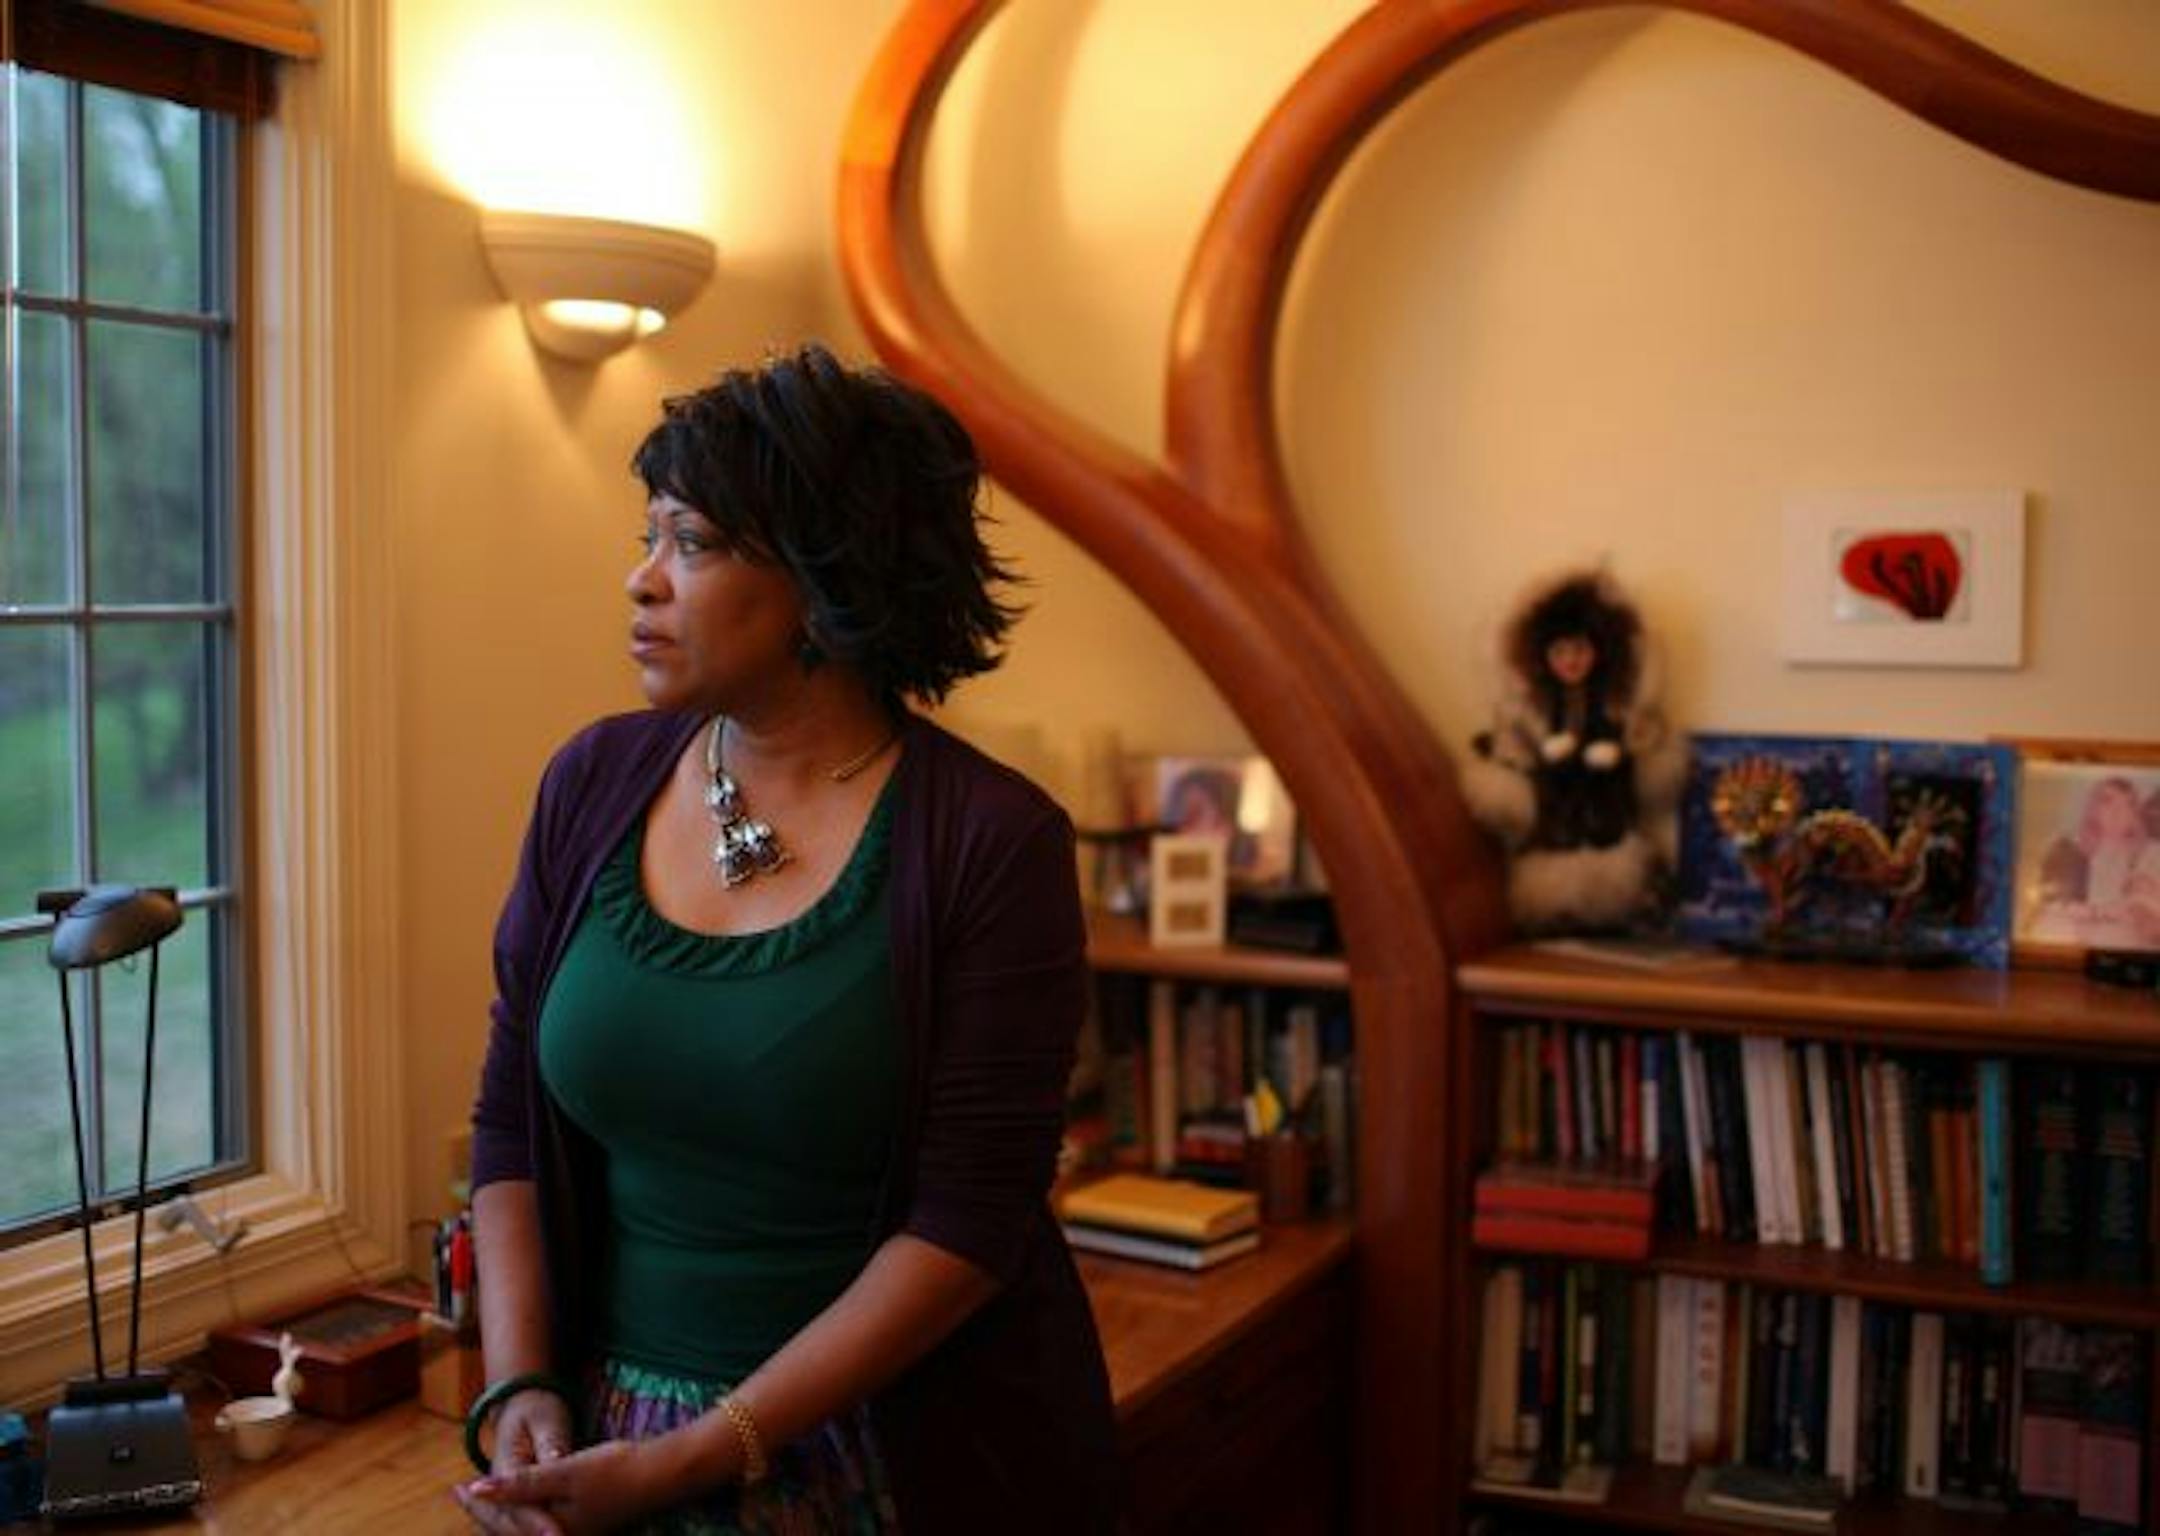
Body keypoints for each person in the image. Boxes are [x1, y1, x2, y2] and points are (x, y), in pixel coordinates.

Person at [456, 345, 1120, 1535]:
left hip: (888, 1458)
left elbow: (968, 1229)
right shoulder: (591, 782)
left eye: (693, 544)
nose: (641, 581)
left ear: (829, 580)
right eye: (648, 535)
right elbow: (509, 1113)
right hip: (598, 1443)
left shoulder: (992, 845)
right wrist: (520, 1379)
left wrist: (703, 1456)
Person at [2029, 775, 2160, 949]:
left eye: (2128, 804)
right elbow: (2053, 903)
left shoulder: (2150, 852)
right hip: (2073, 935)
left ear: (2134, 813)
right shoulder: (2067, 847)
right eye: (2107, 801)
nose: (2117, 811)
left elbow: (2149, 919)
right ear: (2092, 808)